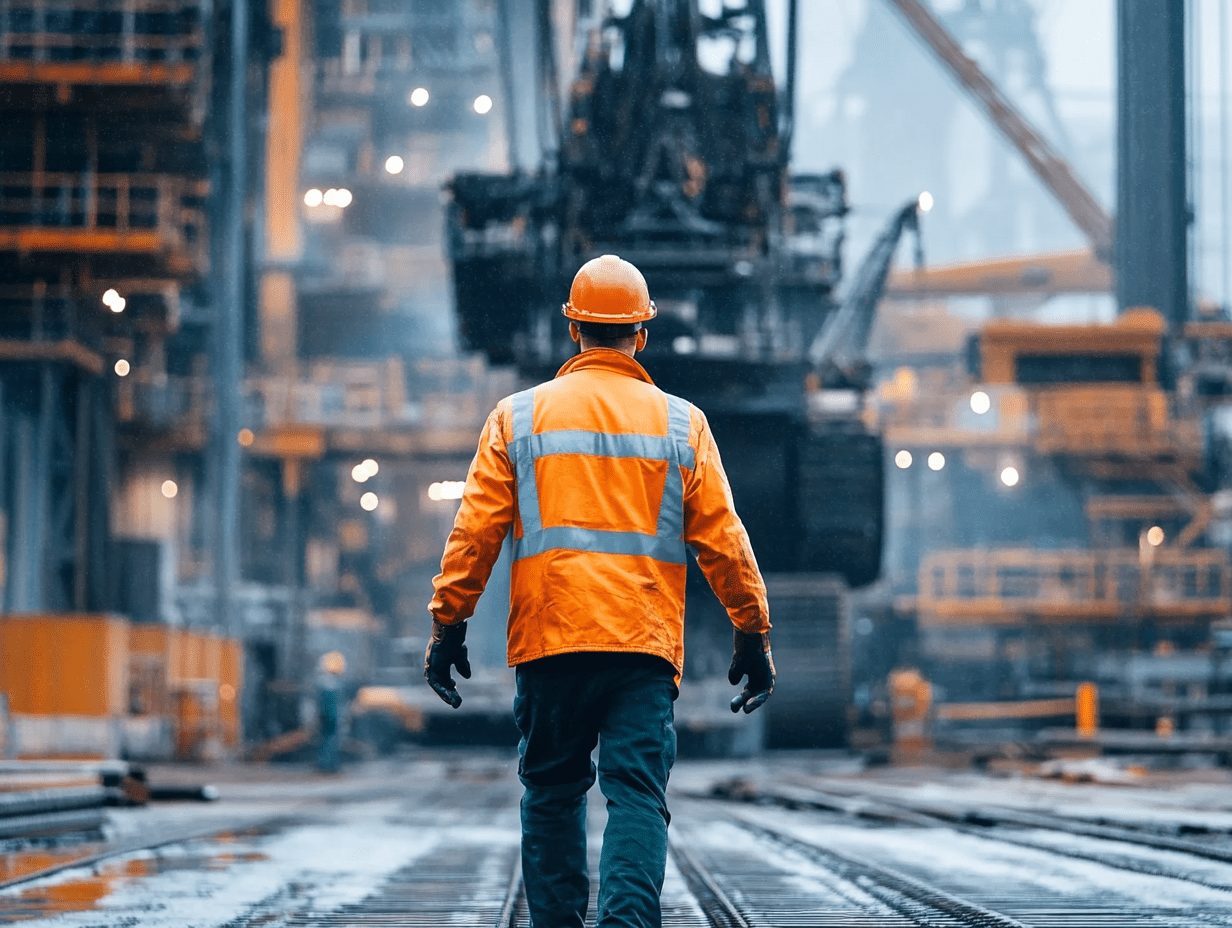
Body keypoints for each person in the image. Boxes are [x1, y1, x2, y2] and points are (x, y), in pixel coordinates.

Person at [426, 254, 774, 928]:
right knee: (637, 796)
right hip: (640, 650)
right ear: (641, 334)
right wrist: (751, 628)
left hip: (549, 642)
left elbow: (475, 533)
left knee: (553, 793)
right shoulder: (682, 425)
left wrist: (449, 624)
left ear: (573, 330)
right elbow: (724, 540)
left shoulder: (517, 419)